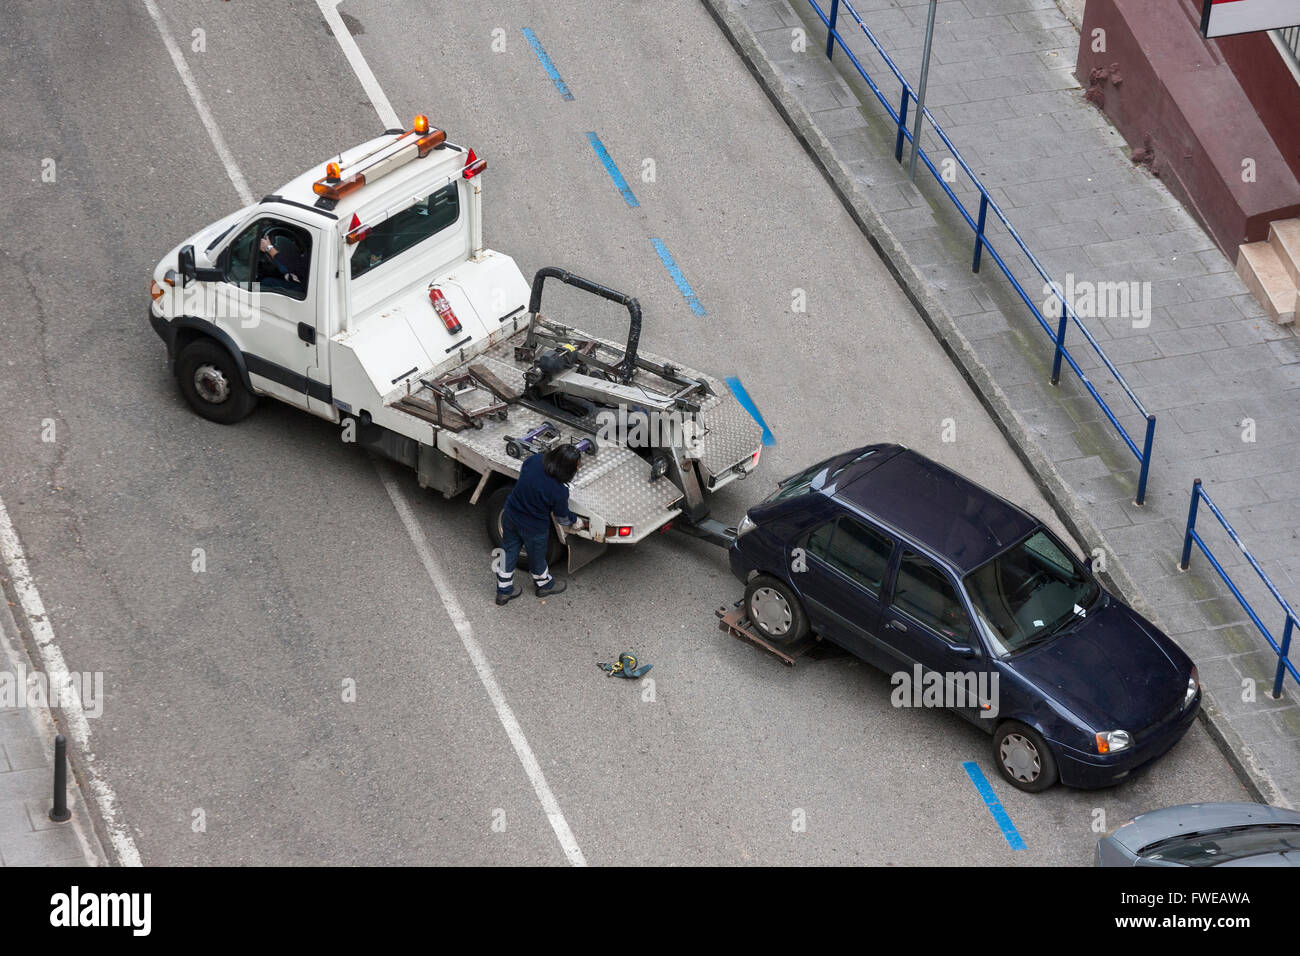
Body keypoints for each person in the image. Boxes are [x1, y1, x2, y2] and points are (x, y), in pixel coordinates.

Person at [495, 444, 585, 605]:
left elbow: (525, 475)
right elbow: (562, 517)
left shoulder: (534, 461)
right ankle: (544, 585)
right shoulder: (559, 490)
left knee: (508, 551)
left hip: (511, 515)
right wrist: (575, 521)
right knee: (537, 558)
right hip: (534, 528)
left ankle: (503, 592)